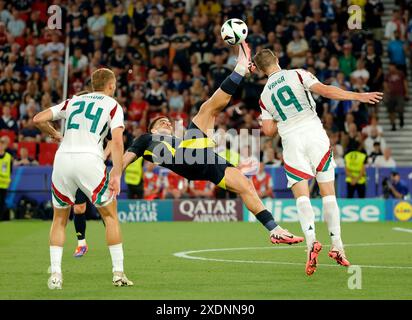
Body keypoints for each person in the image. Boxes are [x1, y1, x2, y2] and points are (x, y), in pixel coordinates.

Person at [123, 43, 304, 246]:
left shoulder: (177, 138)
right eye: (160, 122)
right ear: (153, 130)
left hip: (204, 161)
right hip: (187, 157)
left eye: (167, 120)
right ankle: (240, 68)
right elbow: (124, 160)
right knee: (208, 108)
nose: (165, 121)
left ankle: (275, 230)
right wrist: (110, 178)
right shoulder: (146, 139)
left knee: (246, 185)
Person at [253, 48, 383, 275]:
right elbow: (325, 91)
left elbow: (268, 131)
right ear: (277, 59)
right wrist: (357, 96)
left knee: (301, 195)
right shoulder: (298, 74)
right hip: (314, 133)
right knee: (328, 192)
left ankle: (311, 242)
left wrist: (273, 118)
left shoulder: (264, 96)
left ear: (261, 70)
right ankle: (338, 246)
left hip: (291, 139)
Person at [33, 68, 132, 289]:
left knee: (59, 219)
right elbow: (116, 142)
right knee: (110, 217)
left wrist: (55, 134)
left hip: (63, 160)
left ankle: (56, 276)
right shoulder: (112, 105)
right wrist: (116, 173)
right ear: (111, 86)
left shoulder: (73, 102)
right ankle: (118, 273)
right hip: (89, 160)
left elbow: (38, 119)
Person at [0, 137, 12, 221]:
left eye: (3, 144)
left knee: (1, 202)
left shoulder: (8, 157)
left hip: (4, 183)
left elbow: (10, 170)